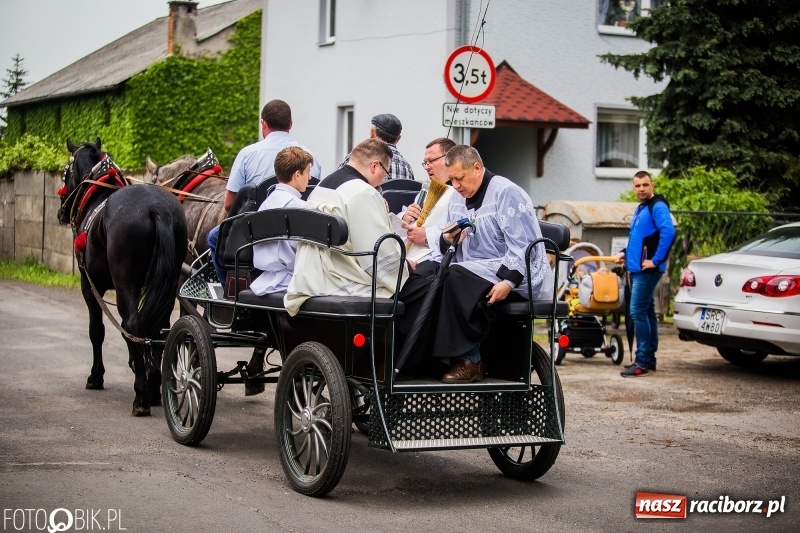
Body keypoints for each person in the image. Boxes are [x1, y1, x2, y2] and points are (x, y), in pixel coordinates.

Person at [400, 145, 553, 383]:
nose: (456, 186)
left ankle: (470, 360)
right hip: (472, 267)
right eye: (451, 179)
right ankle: (415, 355)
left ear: (477, 168)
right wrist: (447, 239)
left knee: (454, 276)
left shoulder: (506, 193)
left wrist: (508, 282)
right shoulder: (457, 198)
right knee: (425, 276)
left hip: (515, 271)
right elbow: (449, 239)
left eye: (459, 178)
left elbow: (523, 245)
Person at [284, 138, 409, 315]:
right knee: (422, 287)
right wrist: (406, 266)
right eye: (386, 173)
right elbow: (378, 253)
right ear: (375, 166)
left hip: (310, 278)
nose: (384, 179)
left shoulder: (323, 185)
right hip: (340, 281)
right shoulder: (363, 192)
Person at [207, 99, 322, 283]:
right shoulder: (310, 156)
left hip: (254, 236)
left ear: (264, 124)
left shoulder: (248, 153)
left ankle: (228, 292)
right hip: (296, 235)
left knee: (213, 238)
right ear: (290, 124)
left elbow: (229, 204)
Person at [615, 170, 675, 377]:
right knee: (647, 312)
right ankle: (649, 359)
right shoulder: (642, 208)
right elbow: (639, 238)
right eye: (637, 185)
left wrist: (656, 260)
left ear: (652, 185)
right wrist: (624, 254)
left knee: (637, 312)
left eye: (645, 185)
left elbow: (669, 231)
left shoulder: (657, 206)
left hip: (646, 270)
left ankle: (641, 362)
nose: (641, 189)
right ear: (633, 187)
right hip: (637, 267)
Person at [249, 147, 313, 296]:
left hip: (264, 278)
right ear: (297, 175)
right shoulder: (301, 208)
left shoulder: (264, 206)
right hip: (294, 280)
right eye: (308, 172)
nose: (309, 178)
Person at [401, 137, 456, 264]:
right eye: (425, 163)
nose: (426, 167)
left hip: (433, 262)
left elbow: (460, 233)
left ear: (450, 158)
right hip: (408, 256)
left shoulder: (459, 193)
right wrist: (406, 217)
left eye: (431, 161)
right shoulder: (426, 190)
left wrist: (427, 236)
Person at [339, 113, 415, 181]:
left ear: (372, 133)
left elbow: (336, 185)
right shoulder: (407, 168)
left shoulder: (355, 158)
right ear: (398, 139)